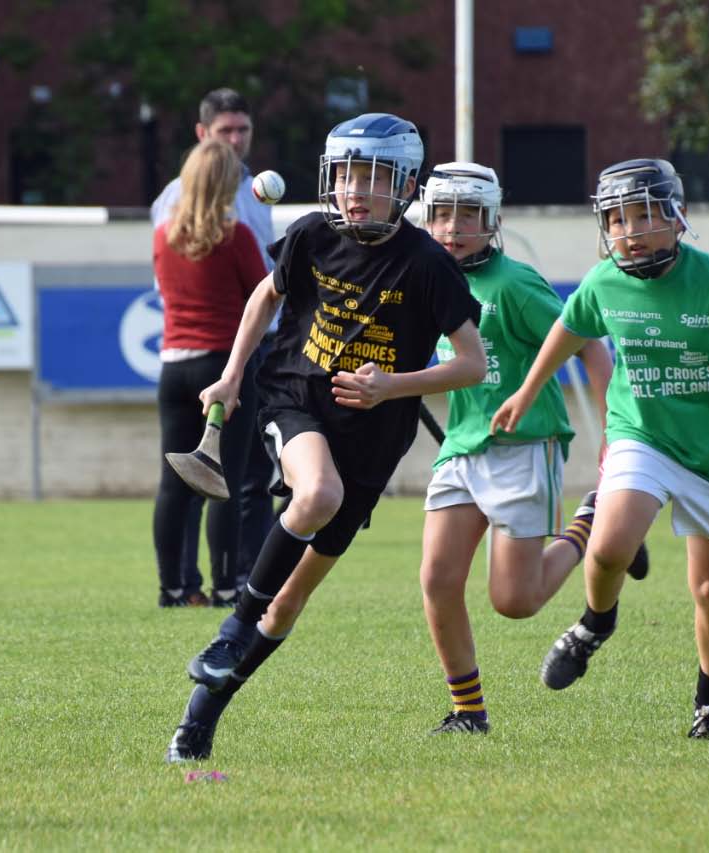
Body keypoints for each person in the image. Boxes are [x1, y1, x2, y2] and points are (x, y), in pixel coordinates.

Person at [165, 113, 486, 761]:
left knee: (284, 607)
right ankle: (230, 628)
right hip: (295, 396)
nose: (354, 189)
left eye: (371, 176)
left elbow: (471, 364)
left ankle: (195, 725)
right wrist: (231, 378)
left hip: (373, 438)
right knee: (315, 494)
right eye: (344, 175)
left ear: (404, 185)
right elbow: (262, 299)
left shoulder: (426, 263)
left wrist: (389, 385)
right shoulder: (312, 234)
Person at [491, 158, 709, 738]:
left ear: (678, 219)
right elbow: (570, 329)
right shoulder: (604, 280)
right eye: (618, 220)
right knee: (607, 547)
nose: (630, 232)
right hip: (641, 434)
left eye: (644, 217)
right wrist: (528, 392)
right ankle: (596, 625)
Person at [415, 162, 648, 735]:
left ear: (491, 220)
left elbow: (589, 346)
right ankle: (468, 711)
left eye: (467, 216)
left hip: (524, 448)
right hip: (462, 450)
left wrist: (615, 434)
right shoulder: (426, 278)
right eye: (442, 214)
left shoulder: (516, 285)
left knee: (514, 602)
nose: (452, 228)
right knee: (437, 580)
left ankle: (587, 526)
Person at [152, 87, 278, 607]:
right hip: (224, 364)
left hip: (173, 364)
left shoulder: (165, 234)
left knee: (174, 481)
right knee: (227, 476)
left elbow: (162, 289)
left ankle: (175, 588)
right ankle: (228, 583)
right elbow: (265, 297)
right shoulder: (236, 237)